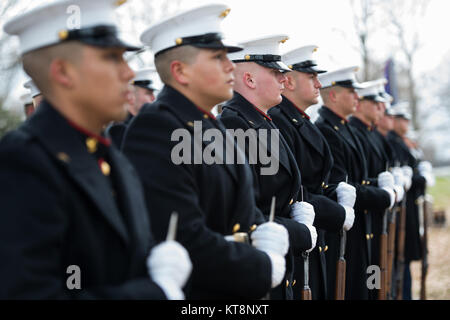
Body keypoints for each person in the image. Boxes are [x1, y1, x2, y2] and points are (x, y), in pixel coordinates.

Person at [0, 0, 192, 300]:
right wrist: (151, 293)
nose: (129, 73)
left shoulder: (108, 156)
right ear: (63, 72)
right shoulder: (23, 161)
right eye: (112, 58)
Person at [121, 4, 289, 299]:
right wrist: (260, 265)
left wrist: (264, 234)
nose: (230, 66)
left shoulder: (208, 122)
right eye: (218, 57)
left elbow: (242, 210)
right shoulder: (158, 127)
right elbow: (182, 236)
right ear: (180, 70)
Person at [219, 35, 318, 300]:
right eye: (276, 73)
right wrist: (298, 231)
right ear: (249, 79)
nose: (284, 80)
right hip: (260, 262)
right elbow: (247, 208)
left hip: (280, 258)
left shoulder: (261, 120)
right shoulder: (235, 125)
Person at [268, 45, 355, 300]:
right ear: (291, 81)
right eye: (312, 77)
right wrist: (337, 212)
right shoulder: (280, 121)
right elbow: (296, 189)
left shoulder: (301, 121)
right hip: (298, 240)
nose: (319, 84)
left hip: (316, 235)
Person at [315, 66, 393, 299]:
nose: (357, 97)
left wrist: (381, 185)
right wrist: (384, 194)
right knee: (356, 290)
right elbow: (343, 185)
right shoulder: (327, 130)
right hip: (347, 233)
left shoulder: (345, 128)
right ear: (334, 95)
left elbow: (359, 179)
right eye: (351, 91)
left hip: (365, 226)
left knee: (372, 284)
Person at [350, 80, 400, 299]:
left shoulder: (371, 134)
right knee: (369, 284)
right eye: (376, 103)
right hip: (362, 223)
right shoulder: (357, 132)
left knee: (378, 280)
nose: (382, 109)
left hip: (375, 219)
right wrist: (382, 192)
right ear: (361, 104)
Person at [386, 102, 427, 300]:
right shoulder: (393, 141)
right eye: (403, 119)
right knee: (399, 263)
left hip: (408, 208)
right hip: (401, 210)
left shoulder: (401, 141)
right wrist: (420, 178)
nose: (406, 122)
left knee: (405, 261)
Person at [107, 68, 159, 147]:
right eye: (148, 93)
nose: (153, 98)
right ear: (131, 96)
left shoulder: (147, 123)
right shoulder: (121, 131)